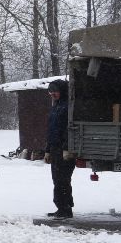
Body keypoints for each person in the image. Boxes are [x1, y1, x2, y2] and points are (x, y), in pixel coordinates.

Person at [45, 78, 74, 219]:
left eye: (55, 91)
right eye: (50, 92)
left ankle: (65, 208)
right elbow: (52, 130)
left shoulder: (68, 107)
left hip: (64, 150)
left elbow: (69, 130)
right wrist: (47, 150)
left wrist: (67, 148)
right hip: (55, 149)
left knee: (62, 179)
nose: (52, 94)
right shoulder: (56, 106)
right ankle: (62, 207)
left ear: (62, 91)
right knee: (57, 179)